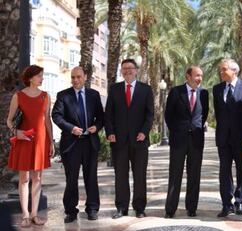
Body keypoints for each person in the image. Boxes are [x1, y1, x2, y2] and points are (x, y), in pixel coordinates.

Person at [52, 67, 104, 223]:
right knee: (71, 179)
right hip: (71, 144)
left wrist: (97, 126)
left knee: (91, 178)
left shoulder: (94, 95)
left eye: (78, 77)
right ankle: (71, 211)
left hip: (90, 143)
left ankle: (92, 208)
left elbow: (101, 116)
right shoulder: (63, 95)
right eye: (73, 77)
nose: (75, 80)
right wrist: (71, 128)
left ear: (85, 77)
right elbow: (56, 116)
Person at [104, 59, 154, 219]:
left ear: (136, 70)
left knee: (140, 176)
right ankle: (121, 207)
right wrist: (110, 132)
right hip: (118, 141)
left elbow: (149, 114)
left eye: (130, 68)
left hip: (139, 141)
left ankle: (139, 208)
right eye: (124, 69)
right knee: (120, 176)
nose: (127, 71)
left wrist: (144, 132)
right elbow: (108, 114)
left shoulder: (146, 90)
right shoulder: (114, 89)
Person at [6, 65, 54, 228]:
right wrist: (16, 132)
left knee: (38, 178)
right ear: (31, 77)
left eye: (42, 75)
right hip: (24, 140)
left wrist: (51, 141)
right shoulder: (18, 96)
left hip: (40, 141)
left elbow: (47, 119)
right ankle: (25, 215)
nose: (42, 78)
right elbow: (9, 120)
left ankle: (34, 214)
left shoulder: (46, 96)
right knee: (24, 178)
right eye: (40, 76)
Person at [164, 65, 209, 218]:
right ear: (188, 76)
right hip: (178, 140)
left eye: (201, 75)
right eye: (197, 75)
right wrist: (177, 131)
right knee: (175, 175)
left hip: (196, 141)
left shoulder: (204, 93)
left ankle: (192, 208)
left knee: (194, 175)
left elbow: (204, 114)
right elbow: (168, 115)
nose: (200, 78)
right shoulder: (176, 91)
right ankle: (170, 209)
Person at [213, 59, 242, 217]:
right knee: (224, 172)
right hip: (223, 138)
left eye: (224, 69)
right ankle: (226, 204)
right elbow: (219, 113)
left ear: (235, 71)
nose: (221, 72)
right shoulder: (217, 89)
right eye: (220, 70)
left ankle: (240, 201)